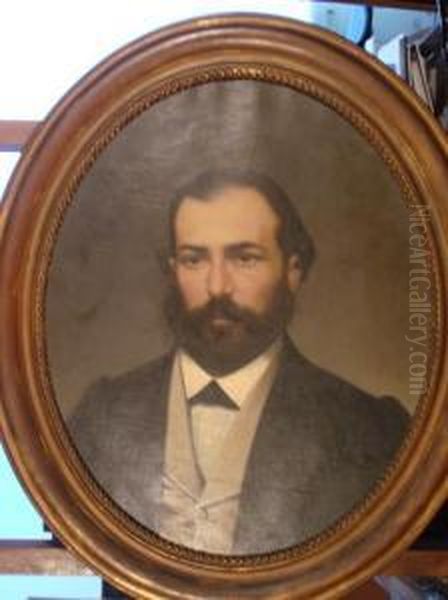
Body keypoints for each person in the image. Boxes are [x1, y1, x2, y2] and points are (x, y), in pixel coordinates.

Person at [69, 170, 409, 555]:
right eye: (194, 259)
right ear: (172, 270)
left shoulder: (370, 429)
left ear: (293, 269)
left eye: (245, 258)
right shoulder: (101, 415)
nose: (217, 287)